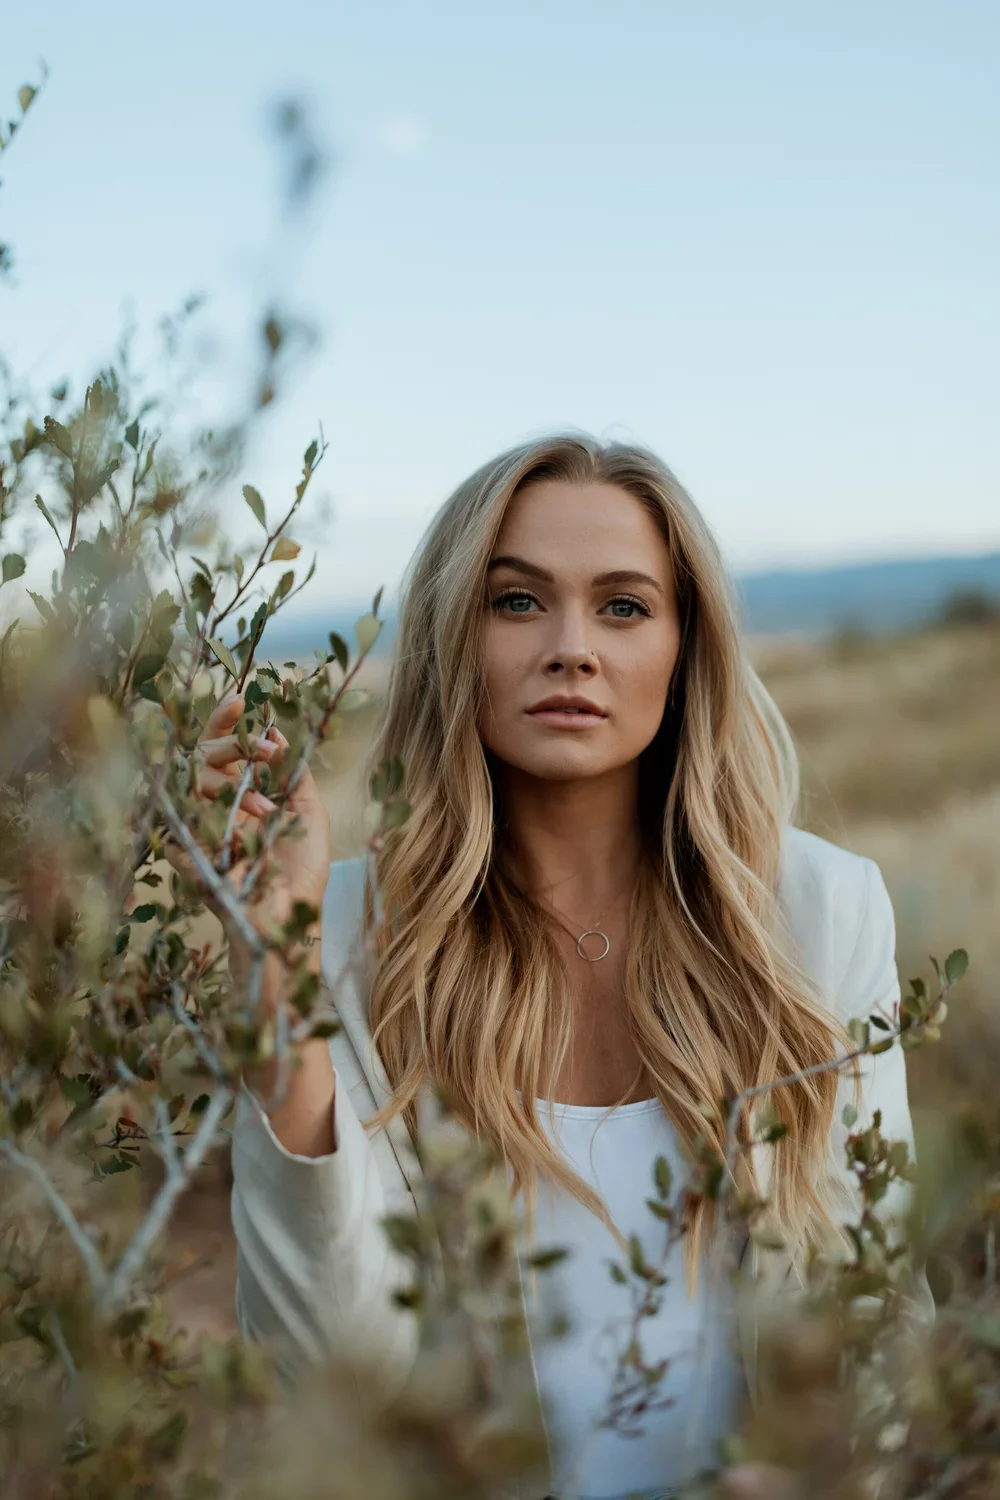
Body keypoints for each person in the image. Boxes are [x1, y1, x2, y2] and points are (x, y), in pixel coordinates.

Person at [170, 434, 932, 1500]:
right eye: (516, 602)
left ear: (684, 647)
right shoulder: (340, 931)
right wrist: (276, 975)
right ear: (452, 639)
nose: (572, 647)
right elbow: (324, 1379)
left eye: (623, 606)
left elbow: (876, 1306)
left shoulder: (814, 914)